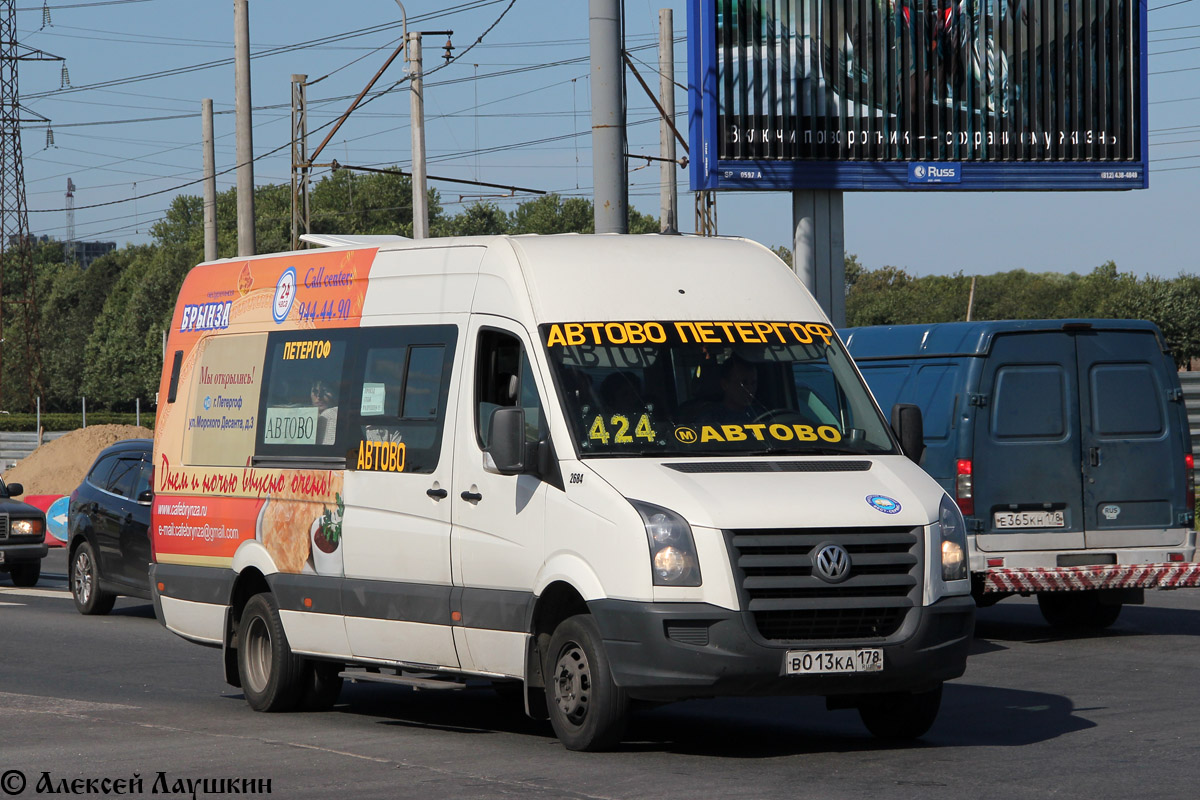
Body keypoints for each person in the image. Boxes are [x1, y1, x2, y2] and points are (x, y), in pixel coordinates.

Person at [311, 379, 339, 445]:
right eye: (315, 392)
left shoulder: (334, 415)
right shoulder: (303, 416)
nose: (319, 397)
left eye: (325, 391)